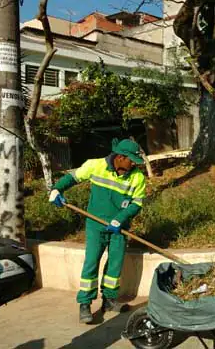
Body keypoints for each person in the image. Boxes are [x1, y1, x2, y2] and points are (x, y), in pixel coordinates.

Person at [49, 138, 146, 324]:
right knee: (91, 262)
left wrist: (120, 218)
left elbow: (137, 203)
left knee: (115, 265)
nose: (134, 163)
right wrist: (56, 189)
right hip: (95, 225)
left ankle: (109, 300)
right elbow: (73, 177)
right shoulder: (95, 166)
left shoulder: (137, 177)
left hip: (119, 228)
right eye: (131, 159)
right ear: (119, 157)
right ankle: (85, 304)